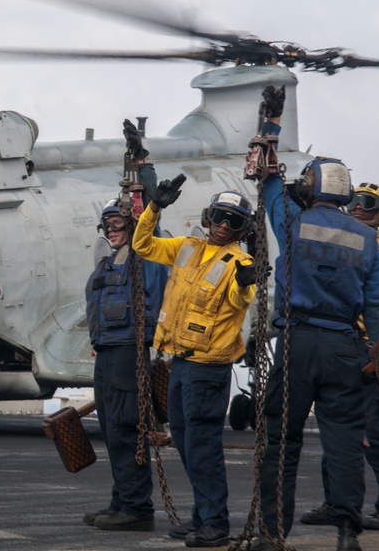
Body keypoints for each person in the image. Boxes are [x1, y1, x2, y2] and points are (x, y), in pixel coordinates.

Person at [254, 109, 379, 551]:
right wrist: (376, 351)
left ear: (311, 186)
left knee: (281, 440)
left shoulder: (294, 222)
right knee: (346, 443)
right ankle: (349, 530)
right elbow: (376, 304)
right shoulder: (368, 238)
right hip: (345, 347)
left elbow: (270, 186)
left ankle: (273, 533)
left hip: (297, 342)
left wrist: (269, 131)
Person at [132, 180, 258, 548]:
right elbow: (143, 245)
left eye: (234, 222)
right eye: (220, 217)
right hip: (180, 364)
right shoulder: (188, 248)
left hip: (207, 368)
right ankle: (203, 515)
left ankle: (215, 523)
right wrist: (154, 208)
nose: (224, 225)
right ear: (209, 217)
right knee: (186, 443)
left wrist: (245, 283)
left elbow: (239, 298)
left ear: (242, 230)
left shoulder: (241, 263)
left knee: (202, 446)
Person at [300, 182, 379, 531]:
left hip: (373, 351)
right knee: (336, 431)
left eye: (369, 203)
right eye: (356, 201)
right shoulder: (337, 239)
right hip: (340, 343)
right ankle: (335, 503)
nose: (360, 208)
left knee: (378, 435)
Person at [83, 198, 168, 532]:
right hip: (107, 352)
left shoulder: (145, 256)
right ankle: (121, 501)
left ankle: (136, 507)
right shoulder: (112, 261)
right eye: (106, 224)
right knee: (111, 429)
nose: (110, 230)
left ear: (133, 225)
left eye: (117, 223)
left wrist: (145, 193)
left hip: (127, 351)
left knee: (125, 428)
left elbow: (152, 227)